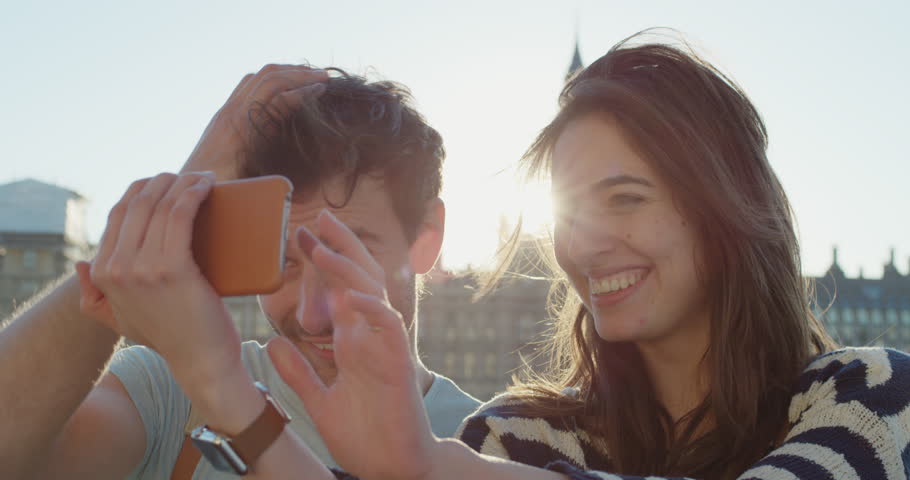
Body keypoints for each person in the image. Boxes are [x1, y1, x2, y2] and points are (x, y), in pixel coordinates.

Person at [265, 32, 910, 479]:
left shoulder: (873, 398)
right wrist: (223, 389)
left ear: (727, 205)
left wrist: (431, 467)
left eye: (626, 199)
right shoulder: (515, 436)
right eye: (571, 211)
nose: (584, 243)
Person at [0, 65, 479, 479]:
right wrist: (182, 193)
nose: (310, 315)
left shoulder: (492, 439)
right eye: (281, 261)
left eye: (346, 256)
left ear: (427, 237)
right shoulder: (171, 395)